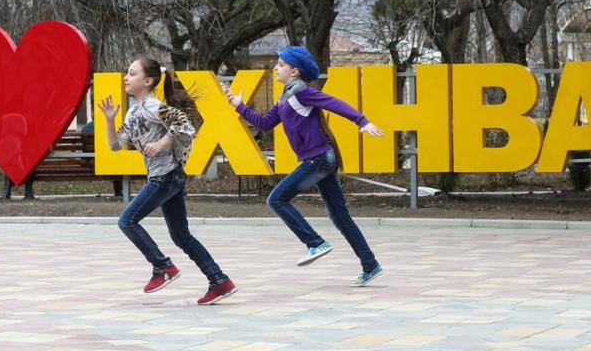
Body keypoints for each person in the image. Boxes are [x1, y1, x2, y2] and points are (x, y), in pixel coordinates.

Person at [222, 45, 386, 287]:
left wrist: (361, 121)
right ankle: (370, 264)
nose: (275, 68)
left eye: (280, 64)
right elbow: (266, 123)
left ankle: (314, 242)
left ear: (294, 71)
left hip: (318, 159)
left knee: (276, 199)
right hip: (322, 160)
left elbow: (334, 103)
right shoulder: (285, 97)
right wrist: (240, 106)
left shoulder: (300, 92)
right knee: (339, 216)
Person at [98, 56, 237, 305]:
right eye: (127, 73)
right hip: (167, 177)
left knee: (127, 221)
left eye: (132, 73)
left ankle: (162, 267)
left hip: (166, 177)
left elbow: (186, 126)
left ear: (148, 81)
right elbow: (115, 145)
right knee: (181, 236)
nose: (126, 77)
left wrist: (162, 142)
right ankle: (219, 281)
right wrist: (109, 118)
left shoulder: (154, 107)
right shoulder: (133, 113)